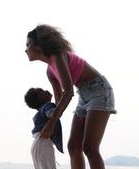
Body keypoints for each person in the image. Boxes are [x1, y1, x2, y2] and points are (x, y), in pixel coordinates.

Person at [25, 24, 116, 169]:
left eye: (28, 45)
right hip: (83, 97)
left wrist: (52, 122)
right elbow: (59, 99)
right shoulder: (49, 71)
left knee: (90, 147)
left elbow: (68, 92)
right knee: (73, 146)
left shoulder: (58, 56)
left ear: (38, 46)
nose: (26, 49)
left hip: (99, 91)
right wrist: (46, 121)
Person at [24, 87, 63, 169]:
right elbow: (54, 114)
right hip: (43, 143)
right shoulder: (47, 106)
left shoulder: (41, 111)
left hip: (37, 144)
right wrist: (66, 97)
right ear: (40, 99)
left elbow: (57, 108)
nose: (46, 90)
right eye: (41, 92)